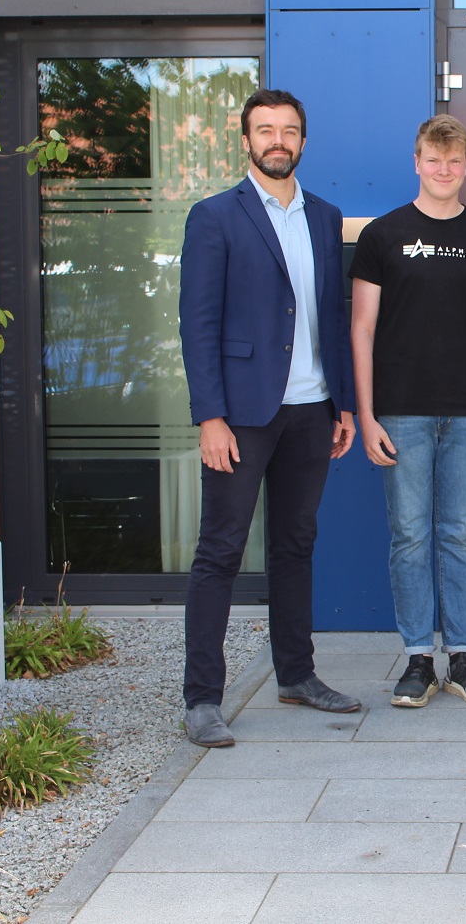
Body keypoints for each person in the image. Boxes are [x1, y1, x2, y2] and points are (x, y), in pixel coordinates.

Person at [178, 88, 360, 747]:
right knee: (220, 552)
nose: (277, 140)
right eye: (265, 129)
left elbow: (330, 318)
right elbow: (196, 325)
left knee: (295, 546)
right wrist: (211, 416)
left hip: (313, 411)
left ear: (303, 141)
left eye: (288, 130)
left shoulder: (325, 218)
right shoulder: (215, 217)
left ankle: (297, 674)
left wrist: (340, 402)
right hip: (244, 415)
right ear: (247, 140)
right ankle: (202, 698)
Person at [349, 114, 466, 709]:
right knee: (410, 536)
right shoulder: (383, 235)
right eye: (433, 159)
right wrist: (366, 416)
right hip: (400, 412)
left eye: (454, 161)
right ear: (416, 162)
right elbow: (361, 329)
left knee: (459, 537)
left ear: (465, 167)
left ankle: (463, 658)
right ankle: (419, 658)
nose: (444, 170)